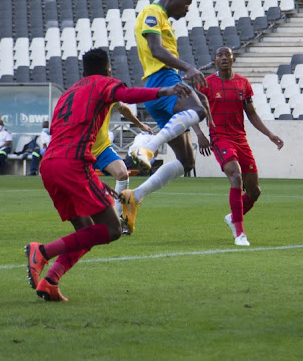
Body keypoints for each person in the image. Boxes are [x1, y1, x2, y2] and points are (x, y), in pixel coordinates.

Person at [25, 48, 190, 301]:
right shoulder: (103, 84)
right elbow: (127, 94)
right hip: (73, 164)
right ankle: (43, 252)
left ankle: (51, 280)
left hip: (50, 165)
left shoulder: (67, 94)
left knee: (85, 232)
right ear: (108, 69)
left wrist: (93, 180)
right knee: (112, 229)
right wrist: (165, 91)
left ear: (83, 70)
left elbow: (69, 135)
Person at [121, 0, 211, 234]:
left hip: (162, 85)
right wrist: (188, 68)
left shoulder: (163, 18)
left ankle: (135, 196)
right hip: (162, 80)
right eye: (185, 2)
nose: (187, 9)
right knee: (200, 109)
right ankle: (146, 146)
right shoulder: (152, 12)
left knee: (187, 162)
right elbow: (157, 51)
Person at [194, 46, 284, 246]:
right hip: (219, 138)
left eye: (227, 55)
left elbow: (251, 114)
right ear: (215, 61)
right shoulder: (207, 84)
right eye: (220, 55)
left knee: (254, 192)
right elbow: (191, 110)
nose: (224, 58)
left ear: (233, 59)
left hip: (240, 139)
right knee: (235, 175)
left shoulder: (243, 84)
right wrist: (200, 134)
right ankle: (240, 233)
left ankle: (232, 217)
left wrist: (270, 134)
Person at [92, 102, 152, 228]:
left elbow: (123, 108)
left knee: (122, 173)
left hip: (102, 147)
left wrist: (140, 125)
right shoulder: (80, 95)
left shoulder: (108, 91)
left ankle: (119, 219)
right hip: (81, 147)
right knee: (84, 188)